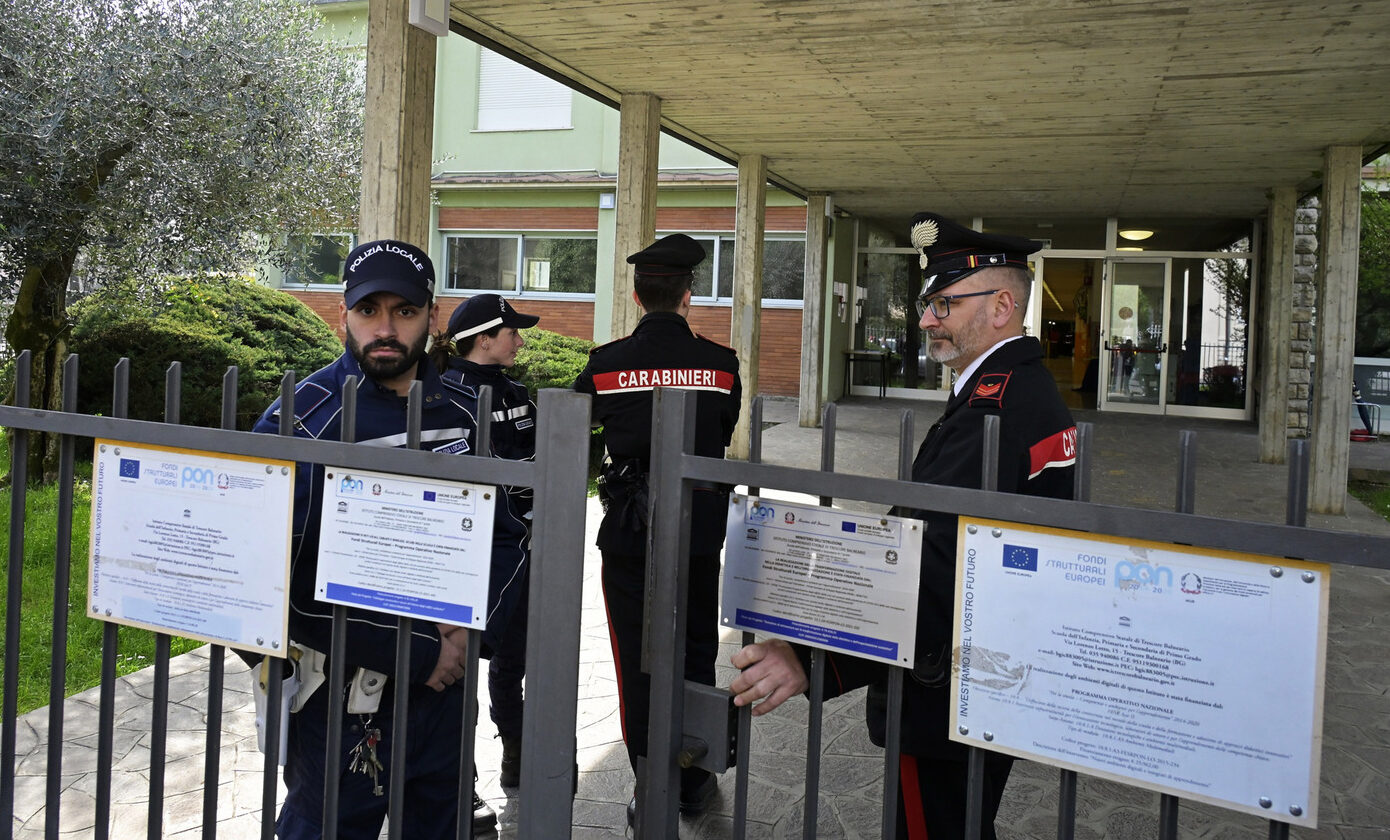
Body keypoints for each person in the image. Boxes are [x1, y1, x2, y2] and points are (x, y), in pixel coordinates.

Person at [728, 212, 1078, 840]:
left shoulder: (997, 410)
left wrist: (812, 657)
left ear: (1002, 306)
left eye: (944, 303)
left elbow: (935, 564)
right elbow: (924, 525)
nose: (925, 319)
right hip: (981, 667)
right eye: (928, 303)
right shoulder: (1006, 392)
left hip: (949, 679)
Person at [253, 239, 520, 838]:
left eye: (404, 312)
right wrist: (417, 653)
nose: (385, 329)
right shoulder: (304, 419)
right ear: (342, 314)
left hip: (447, 691)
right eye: (368, 310)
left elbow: (506, 535)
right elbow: (272, 574)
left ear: (430, 316)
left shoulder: (462, 408)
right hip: (344, 695)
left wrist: (472, 635)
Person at [572, 233, 741, 829]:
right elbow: (724, 428)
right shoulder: (722, 367)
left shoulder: (605, 363)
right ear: (688, 296)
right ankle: (693, 779)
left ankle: (652, 782)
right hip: (697, 530)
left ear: (639, 297)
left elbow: (574, 428)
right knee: (695, 649)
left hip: (628, 531)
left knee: (634, 662)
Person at [434, 293, 540, 788]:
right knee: (457, 667)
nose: (519, 340)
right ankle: (462, 779)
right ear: (483, 339)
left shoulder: (518, 393)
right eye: (511, 332)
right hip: (469, 554)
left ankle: (516, 754)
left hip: (525, 551)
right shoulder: (443, 395)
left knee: (511, 660)